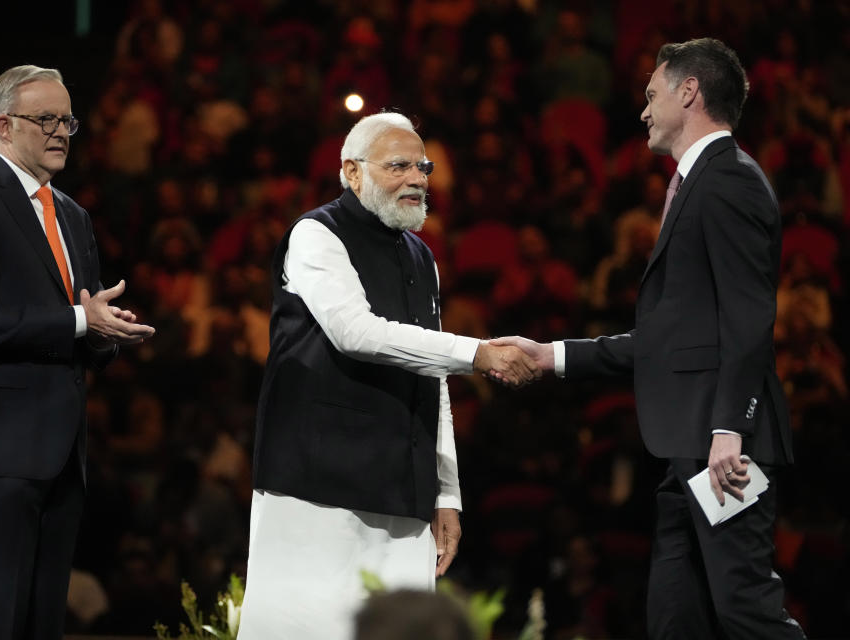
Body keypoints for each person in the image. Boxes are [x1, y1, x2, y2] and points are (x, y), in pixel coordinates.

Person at [492, 38, 806, 639]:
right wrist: (554, 355)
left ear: (690, 92)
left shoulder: (728, 182)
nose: (642, 110)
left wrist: (728, 432)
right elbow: (668, 341)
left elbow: (748, 320)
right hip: (685, 451)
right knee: (674, 620)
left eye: (651, 93)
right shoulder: (700, 184)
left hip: (722, 453)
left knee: (747, 615)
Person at [238, 112, 537, 640]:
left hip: (403, 487)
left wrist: (447, 494)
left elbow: (432, 372)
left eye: (422, 167)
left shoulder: (422, 256)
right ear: (352, 172)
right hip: (315, 486)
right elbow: (356, 332)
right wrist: (478, 353)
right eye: (398, 165)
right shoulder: (316, 233)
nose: (418, 178)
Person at [0, 65, 155, 640]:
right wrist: (80, 320)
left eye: (67, 120)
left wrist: (104, 332)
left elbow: (79, 326)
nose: (61, 132)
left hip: (60, 455)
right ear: (4, 125)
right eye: (45, 119)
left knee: (40, 624)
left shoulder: (72, 215)